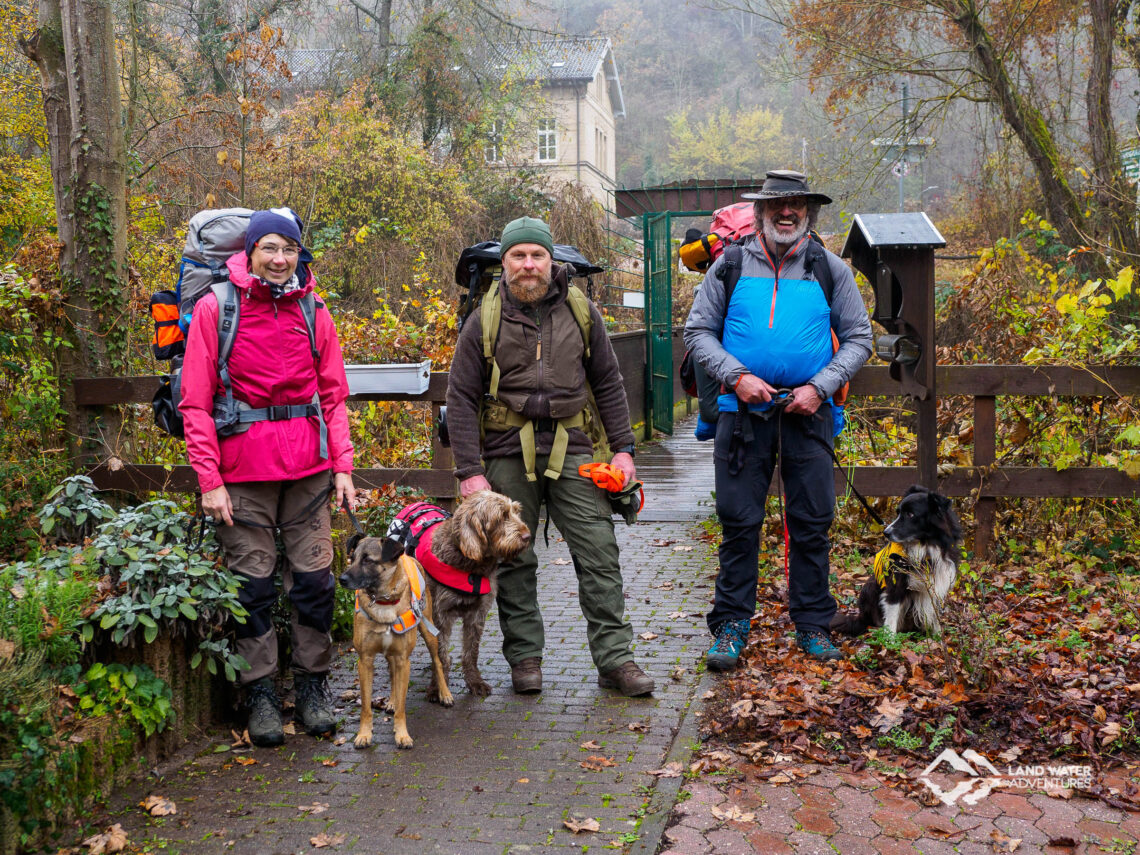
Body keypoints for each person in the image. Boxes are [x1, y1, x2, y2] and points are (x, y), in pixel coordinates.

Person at [445, 216, 656, 697]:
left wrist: (624, 451)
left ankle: (616, 660)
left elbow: (608, 382)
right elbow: (460, 396)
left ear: (551, 260)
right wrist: (470, 473)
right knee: (514, 560)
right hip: (505, 452)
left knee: (599, 552)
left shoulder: (581, 311)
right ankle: (524, 659)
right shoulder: (485, 318)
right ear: (505, 263)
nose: (528, 265)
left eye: (536, 255)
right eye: (518, 256)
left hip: (574, 448)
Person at [180, 208, 357, 747]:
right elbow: (195, 402)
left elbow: (333, 394)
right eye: (269, 249)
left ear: (298, 254)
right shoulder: (217, 309)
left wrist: (344, 466)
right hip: (241, 475)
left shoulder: (313, 309)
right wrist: (209, 479)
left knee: (314, 583)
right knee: (252, 586)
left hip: (308, 472)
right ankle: (259, 692)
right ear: (250, 252)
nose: (280, 260)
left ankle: (312, 686)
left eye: (288, 250)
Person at [683, 171, 872, 667]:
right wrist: (737, 375)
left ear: (808, 212)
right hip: (741, 415)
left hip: (810, 415)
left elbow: (859, 338)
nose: (787, 212)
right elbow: (698, 331)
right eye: (777, 205)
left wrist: (820, 387)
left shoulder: (830, 269)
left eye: (796, 205)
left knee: (812, 522)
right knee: (738, 522)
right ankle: (729, 628)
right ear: (762, 212)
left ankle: (813, 625)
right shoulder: (726, 266)